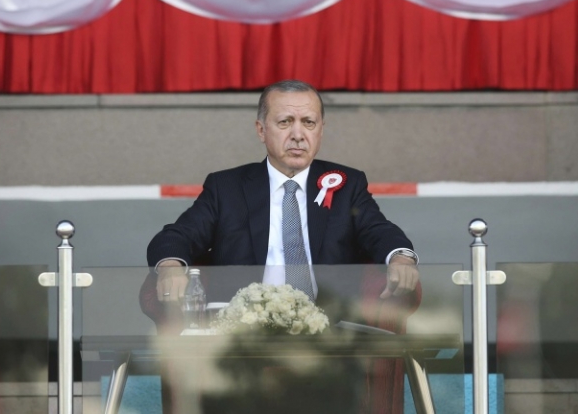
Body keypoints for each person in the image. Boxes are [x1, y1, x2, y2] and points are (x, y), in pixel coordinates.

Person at [147, 79, 419, 303]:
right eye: (285, 122)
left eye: (309, 122)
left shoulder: (347, 184)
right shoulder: (226, 188)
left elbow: (378, 230)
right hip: (243, 329)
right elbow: (178, 236)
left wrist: (401, 258)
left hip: (330, 328)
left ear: (321, 131)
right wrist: (171, 267)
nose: (298, 135)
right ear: (261, 130)